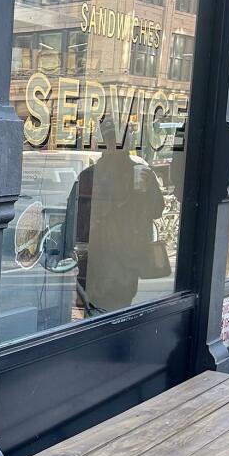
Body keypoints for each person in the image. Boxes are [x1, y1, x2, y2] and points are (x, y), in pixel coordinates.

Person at [66, 115, 167, 315]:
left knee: (114, 313)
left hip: (125, 264)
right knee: (97, 314)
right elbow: (74, 222)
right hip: (96, 262)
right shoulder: (88, 176)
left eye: (121, 141)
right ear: (104, 143)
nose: (116, 147)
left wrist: (148, 190)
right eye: (111, 141)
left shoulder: (140, 173)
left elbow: (157, 210)